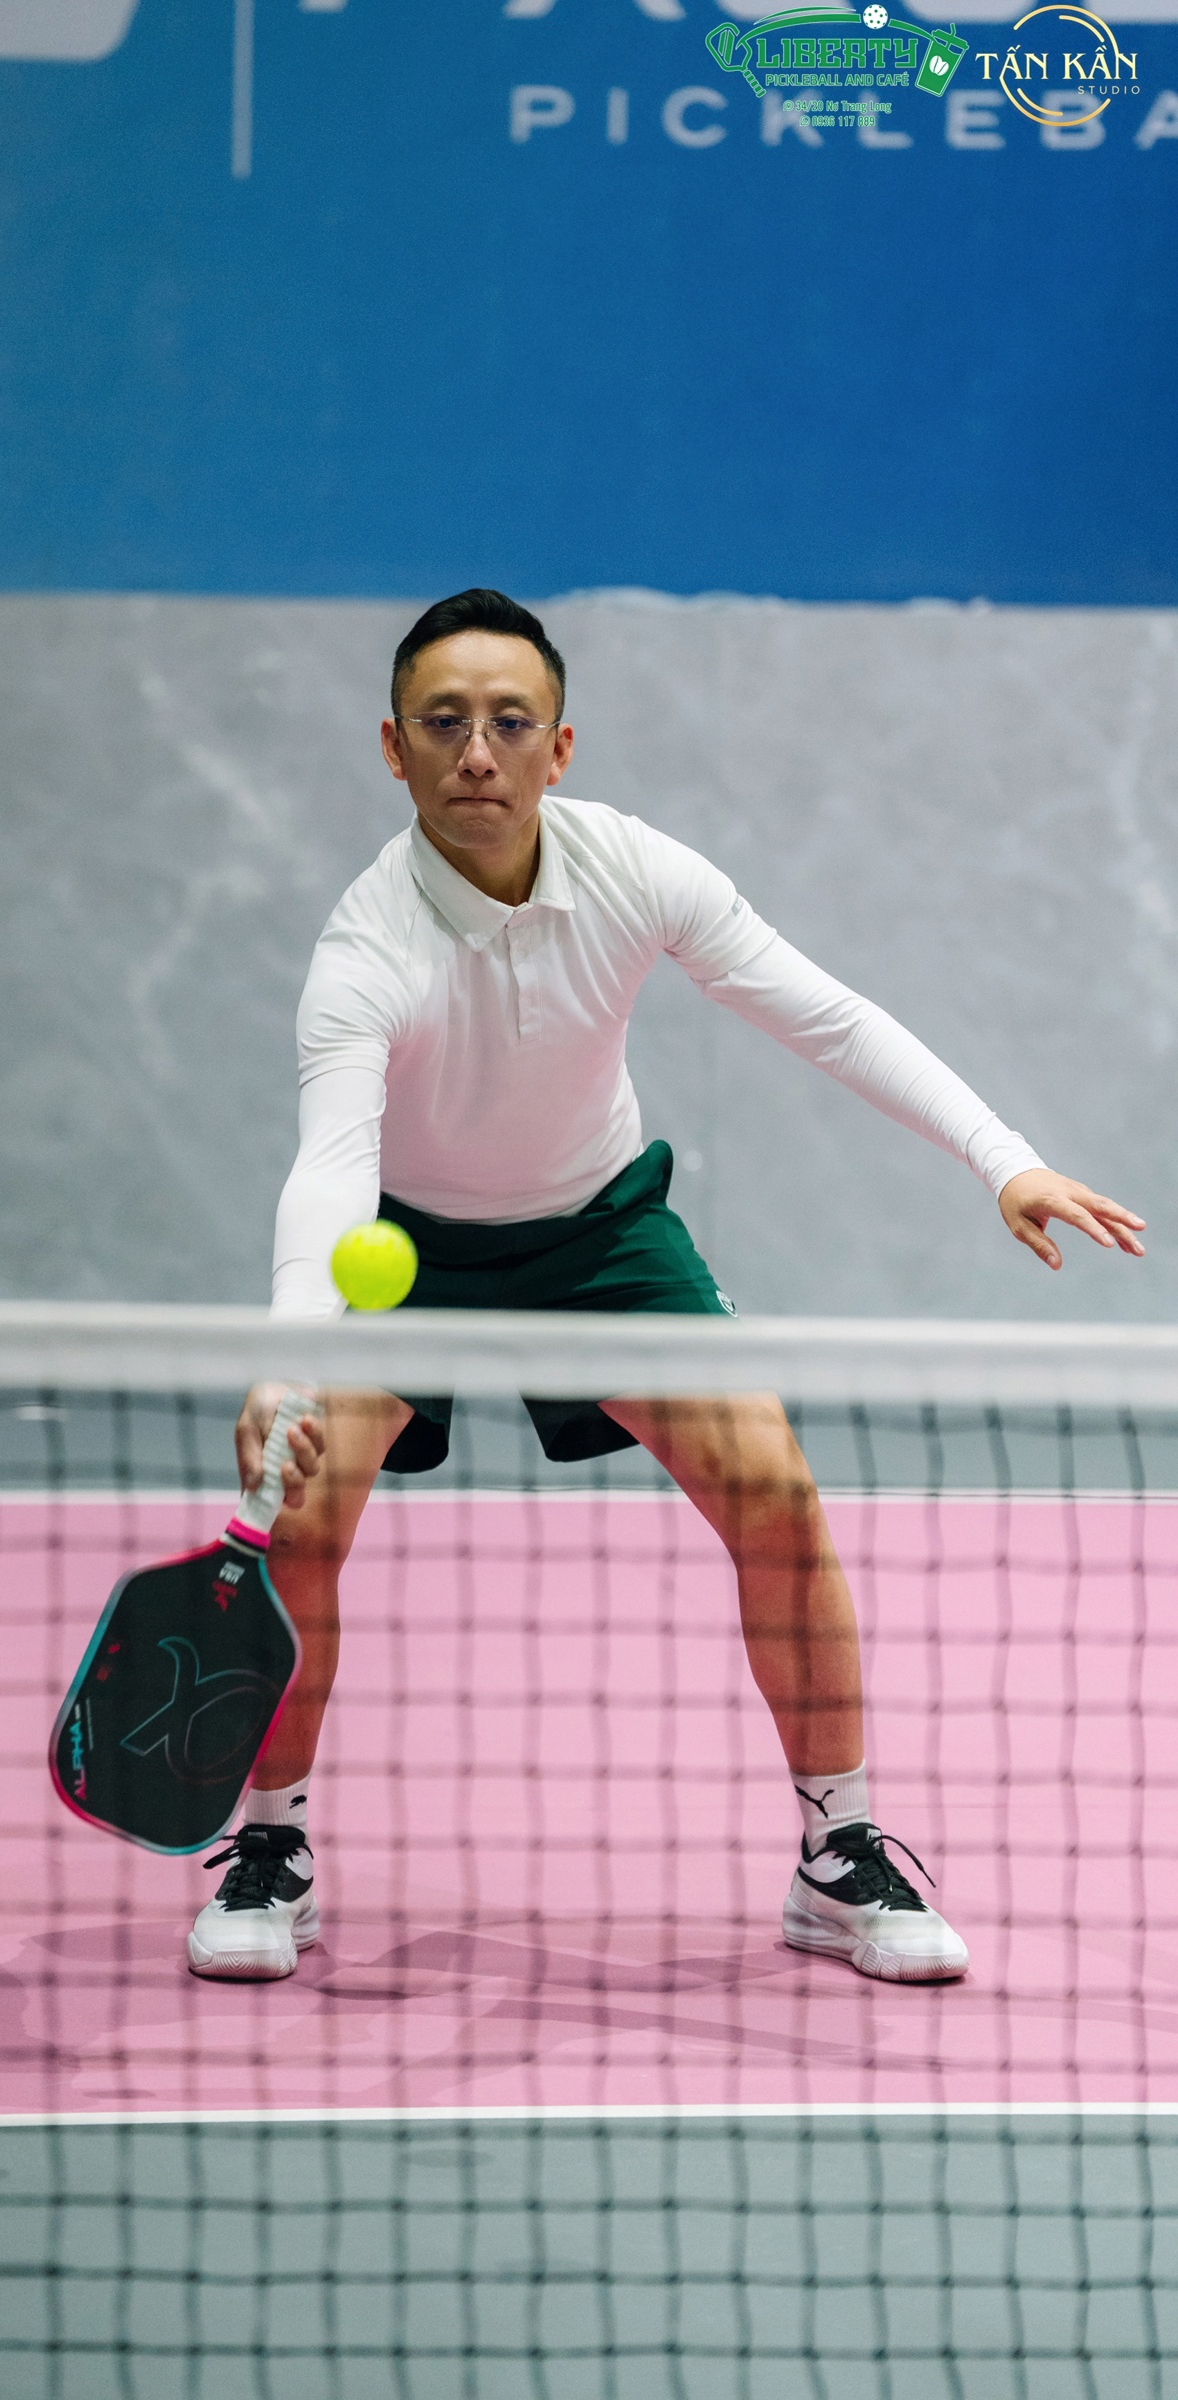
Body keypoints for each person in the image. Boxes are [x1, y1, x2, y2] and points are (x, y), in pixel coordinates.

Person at [185, 588, 1145, 1986]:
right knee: (304, 1517)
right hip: (405, 1252)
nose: (477, 753)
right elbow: (329, 1165)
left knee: (775, 1490)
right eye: (442, 723)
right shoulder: (364, 950)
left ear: (559, 745)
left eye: (510, 722)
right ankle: (272, 1845)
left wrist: (1005, 1160)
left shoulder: (636, 870)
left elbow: (825, 1015)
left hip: (601, 1240)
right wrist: (290, 1357)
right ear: (392, 748)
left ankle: (839, 1850)